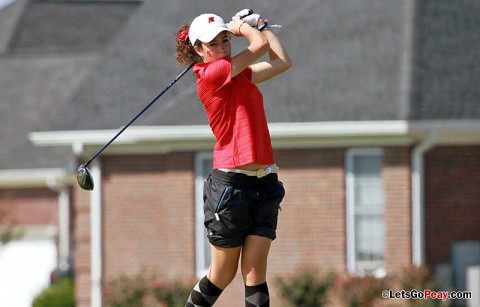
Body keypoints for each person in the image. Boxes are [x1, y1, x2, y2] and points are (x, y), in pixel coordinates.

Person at [175, 9, 292, 307]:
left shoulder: (241, 74)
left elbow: (282, 62)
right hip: (230, 186)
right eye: (212, 44)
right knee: (222, 275)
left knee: (255, 274)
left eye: (225, 40)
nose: (221, 48)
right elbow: (259, 47)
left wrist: (263, 26)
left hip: (264, 181)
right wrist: (243, 28)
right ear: (199, 51)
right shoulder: (208, 75)